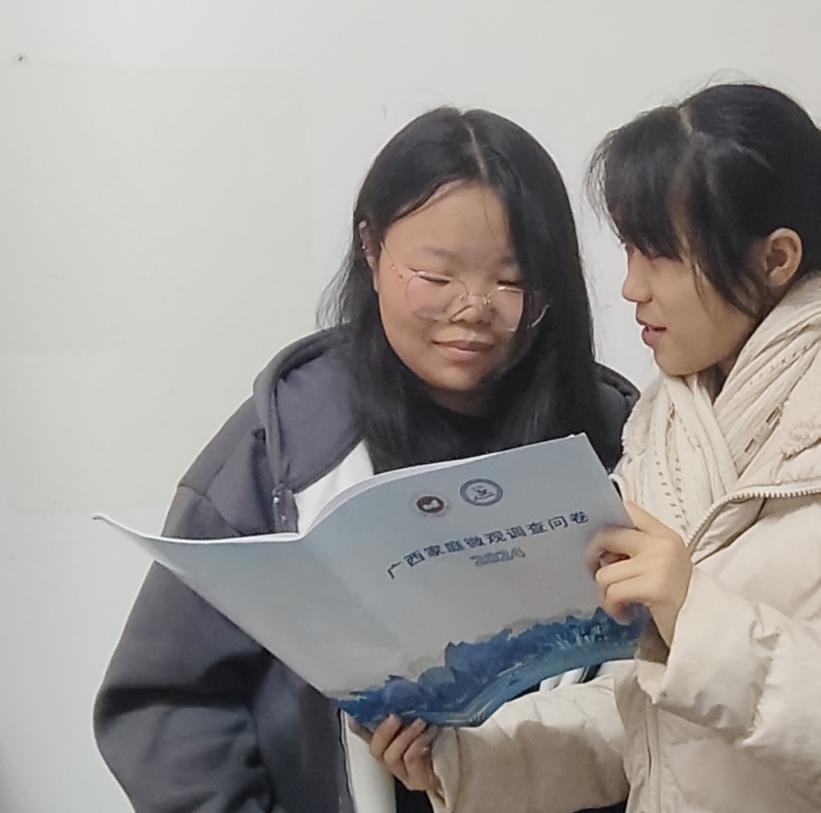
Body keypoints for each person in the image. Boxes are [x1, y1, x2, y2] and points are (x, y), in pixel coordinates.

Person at [94, 106, 638, 813]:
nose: (473, 308)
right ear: (371, 249)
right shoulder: (289, 445)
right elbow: (165, 702)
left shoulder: (615, 438)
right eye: (436, 276)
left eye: (512, 282)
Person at [367, 82, 821, 813]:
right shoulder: (664, 428)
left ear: (775, 258)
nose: (631, 287)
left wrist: (695, 616)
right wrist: (468, 761)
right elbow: (645, 720)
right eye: (629, 250)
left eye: (661, 255)